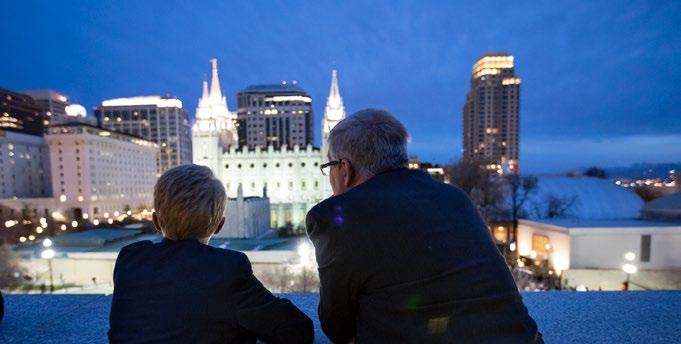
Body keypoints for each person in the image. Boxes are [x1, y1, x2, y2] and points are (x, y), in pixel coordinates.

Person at [307, 109, 542, 343]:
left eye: (330, 166)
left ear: (345, 169)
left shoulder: (336, 216)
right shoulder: (454, 196)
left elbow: (337, 326)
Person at [109, 164, 313, 344]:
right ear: (219, 226)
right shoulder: (228, 268)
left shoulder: (129, 259)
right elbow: (297, 332)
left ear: (155, 221)